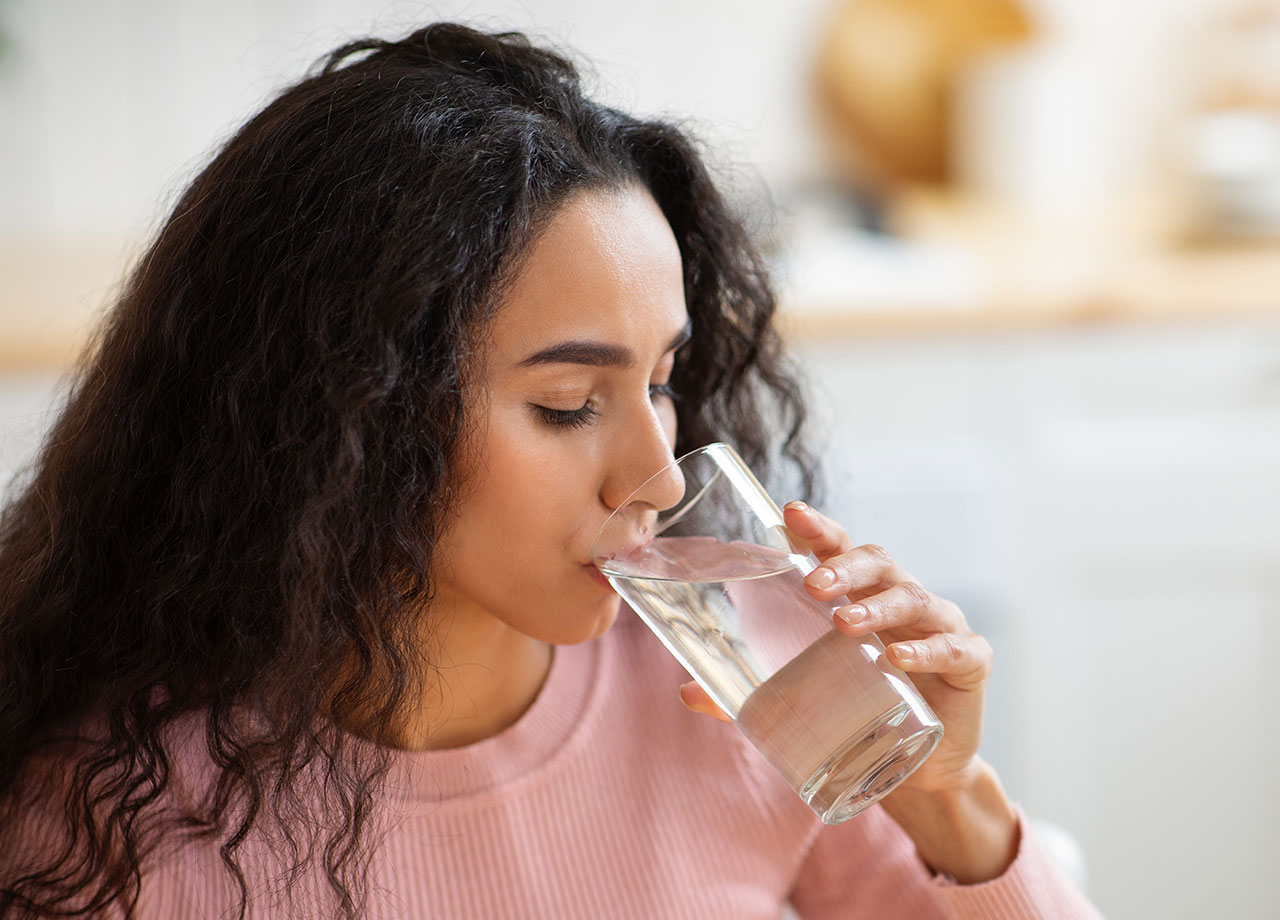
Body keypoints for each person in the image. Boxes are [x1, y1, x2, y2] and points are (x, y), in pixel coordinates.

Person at [0, 21, 1104, 920]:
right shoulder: (108, 816)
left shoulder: (754, 695)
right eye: (567, 404)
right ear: (346, 406)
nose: (658, 477)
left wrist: (949, 804)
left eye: (662, 380)